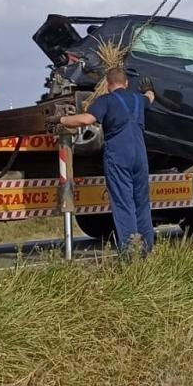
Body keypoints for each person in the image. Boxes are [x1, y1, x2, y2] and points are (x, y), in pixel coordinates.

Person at [59, 68, 157, 255]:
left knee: (123, 203)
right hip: (140, 156)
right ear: (126, 83)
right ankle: (146, 249)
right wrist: (149, 89)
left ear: (107, 84)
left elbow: (86, 119)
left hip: (119, 157)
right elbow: (150, 98)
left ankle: (130, 251)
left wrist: (62, 119)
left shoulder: (105, 101)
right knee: (142, 203)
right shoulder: (139, 99)